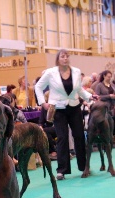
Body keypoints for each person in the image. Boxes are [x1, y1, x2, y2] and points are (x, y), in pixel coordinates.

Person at [35, 49, 98, 180]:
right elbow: (38, 87)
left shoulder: (76, 71)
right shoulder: (50, 72)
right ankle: (62, 170)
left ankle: (83, 167)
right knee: (62, 138)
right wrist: (43, 103)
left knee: (79, 136)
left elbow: (79, 90)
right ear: (58, 59)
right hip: (58, 109)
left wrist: (90, 97)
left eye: (67, 56)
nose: (65, 58)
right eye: (62, 56)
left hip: (74, 107)